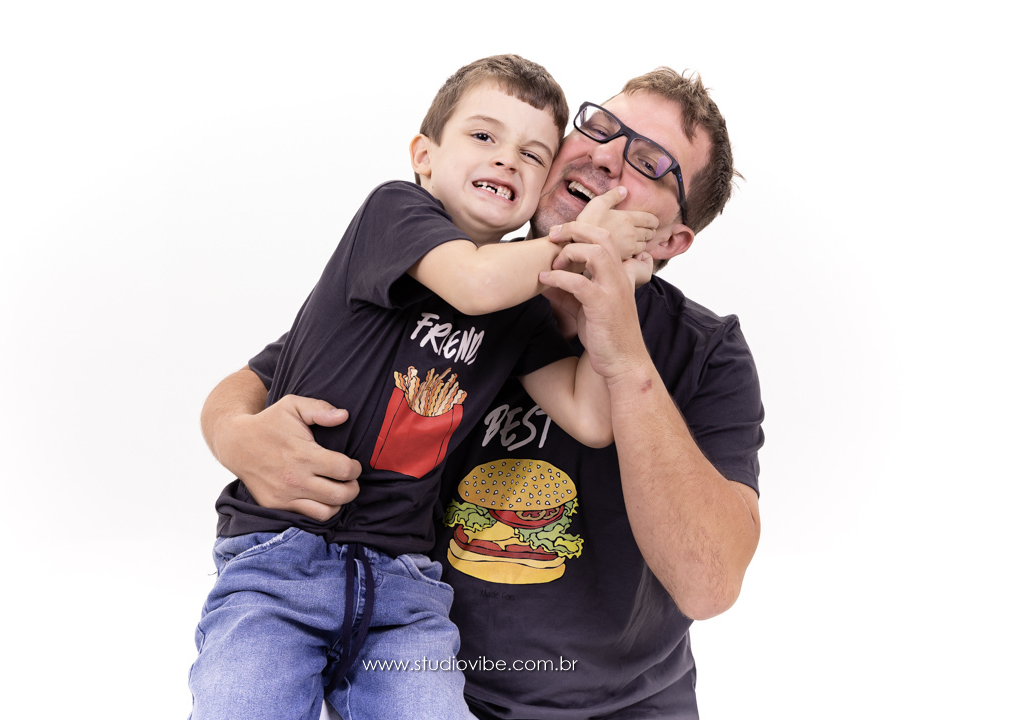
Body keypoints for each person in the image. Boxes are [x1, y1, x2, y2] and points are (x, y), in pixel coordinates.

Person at [202, 67, 764, 719]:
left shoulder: (704, 350)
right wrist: (233, 434)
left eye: (649, 161)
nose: (609, 155)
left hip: (615, 700)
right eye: (601, 128)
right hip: (392, 641)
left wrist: (619, 338)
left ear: (670, 240)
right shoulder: (440, 256)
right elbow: (274, 370)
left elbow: (705, 579)